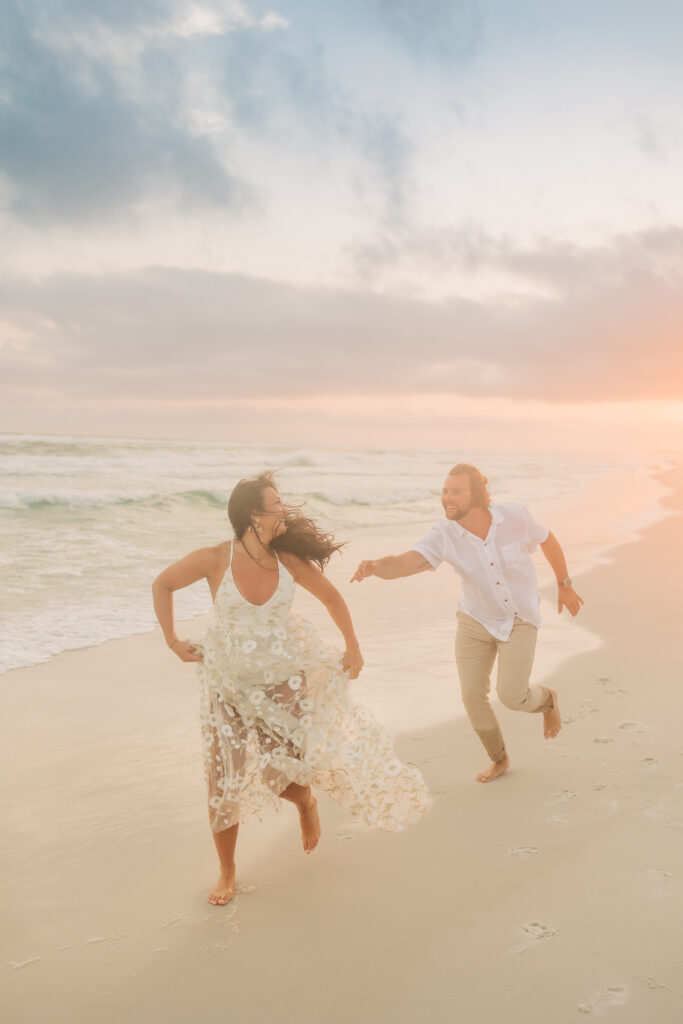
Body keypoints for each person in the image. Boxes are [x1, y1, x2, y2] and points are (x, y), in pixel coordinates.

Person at [153, 472, 432, 906]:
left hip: (283, 682)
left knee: (276, 775)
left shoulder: (288, 562)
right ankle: (227, 872)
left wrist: (353, 646)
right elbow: (163, 584)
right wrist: (172, 641)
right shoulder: (214, 559)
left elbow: (333, 598)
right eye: (277, 503)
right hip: (225, 686)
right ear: (253, 514)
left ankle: (305, 804)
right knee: (222, 781)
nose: (285, 509)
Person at [351, 463, 584, 784]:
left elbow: (547, 539)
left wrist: (564, 584)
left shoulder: (514, 517)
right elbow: (406, 562)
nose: (448, 497)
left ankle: (547, 700)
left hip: (520, 619)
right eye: (445, 491)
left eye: (456, 491)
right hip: (475, 620)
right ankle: (499, 758)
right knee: (472, 697)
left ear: (477, 494)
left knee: (512, 696)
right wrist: (376, 566)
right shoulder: (444, 534)